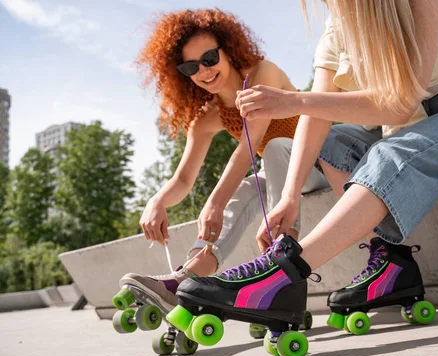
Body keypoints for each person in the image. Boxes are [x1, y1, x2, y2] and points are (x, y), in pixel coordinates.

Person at [174, 0, 438, 331]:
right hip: (412, 127)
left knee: (387, 155)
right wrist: (290, 196)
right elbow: (316, 117)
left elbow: (400, 104)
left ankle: (283, 273)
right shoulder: (336, 29)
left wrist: (291, 100)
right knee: (332, 142)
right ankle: (391, 264)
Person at [119, 8, 329, 310]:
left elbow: (247, 149)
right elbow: (183, 179)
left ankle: (283, 280)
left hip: (320, 161)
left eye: (209, 59)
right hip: (281, 176)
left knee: (275, 148)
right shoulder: (208, 118)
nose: (204, 72)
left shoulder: (262, 75)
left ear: (228, 50)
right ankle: (184, 283)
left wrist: (213, 203)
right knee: (245, 188)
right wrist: (158, 201)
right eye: (191, 67)